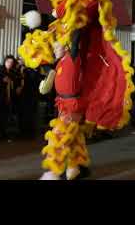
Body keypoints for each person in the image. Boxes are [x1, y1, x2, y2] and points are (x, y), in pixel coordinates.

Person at [39, 30, 90, 180]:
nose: (54, 50)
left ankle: (56, 171)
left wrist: (74, 17)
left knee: (58, 136)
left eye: (57, 47)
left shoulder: (73, 57)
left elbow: (75, 38)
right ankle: (78, 169)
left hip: (73, 105)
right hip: (63, 105)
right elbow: (45, 65)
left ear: (67, 47)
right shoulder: (60, 62)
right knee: (73, 138)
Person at [0, 55, 18, 142]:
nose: (10, 64)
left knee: (4, 116)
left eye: (11, 63)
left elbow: (14, 82)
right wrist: (2, 80)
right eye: (8, 62)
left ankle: (3, 133)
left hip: (7, 97)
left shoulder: (12, 72)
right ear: (5, 62)